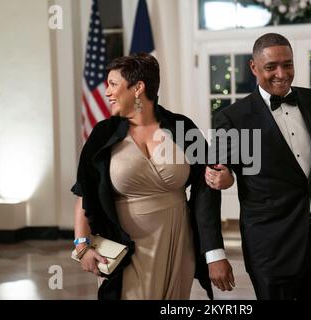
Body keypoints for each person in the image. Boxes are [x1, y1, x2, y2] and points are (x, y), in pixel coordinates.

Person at [71, 53, 234, 300]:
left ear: (138, 88)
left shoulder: (183, 127)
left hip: (179, 243)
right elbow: (85, 193)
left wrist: (214, 254)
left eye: (113, 84)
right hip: (124, 249)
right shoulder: (103, 134)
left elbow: (208, 187)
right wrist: (82, 246)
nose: (107, 92)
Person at [207, 33, 311, 300]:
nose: (281, 74)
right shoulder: (232, 118)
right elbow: (217, 178)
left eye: (288, 64)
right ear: (253, 67)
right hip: (271, 248)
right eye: (271, 67)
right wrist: (224, 178)